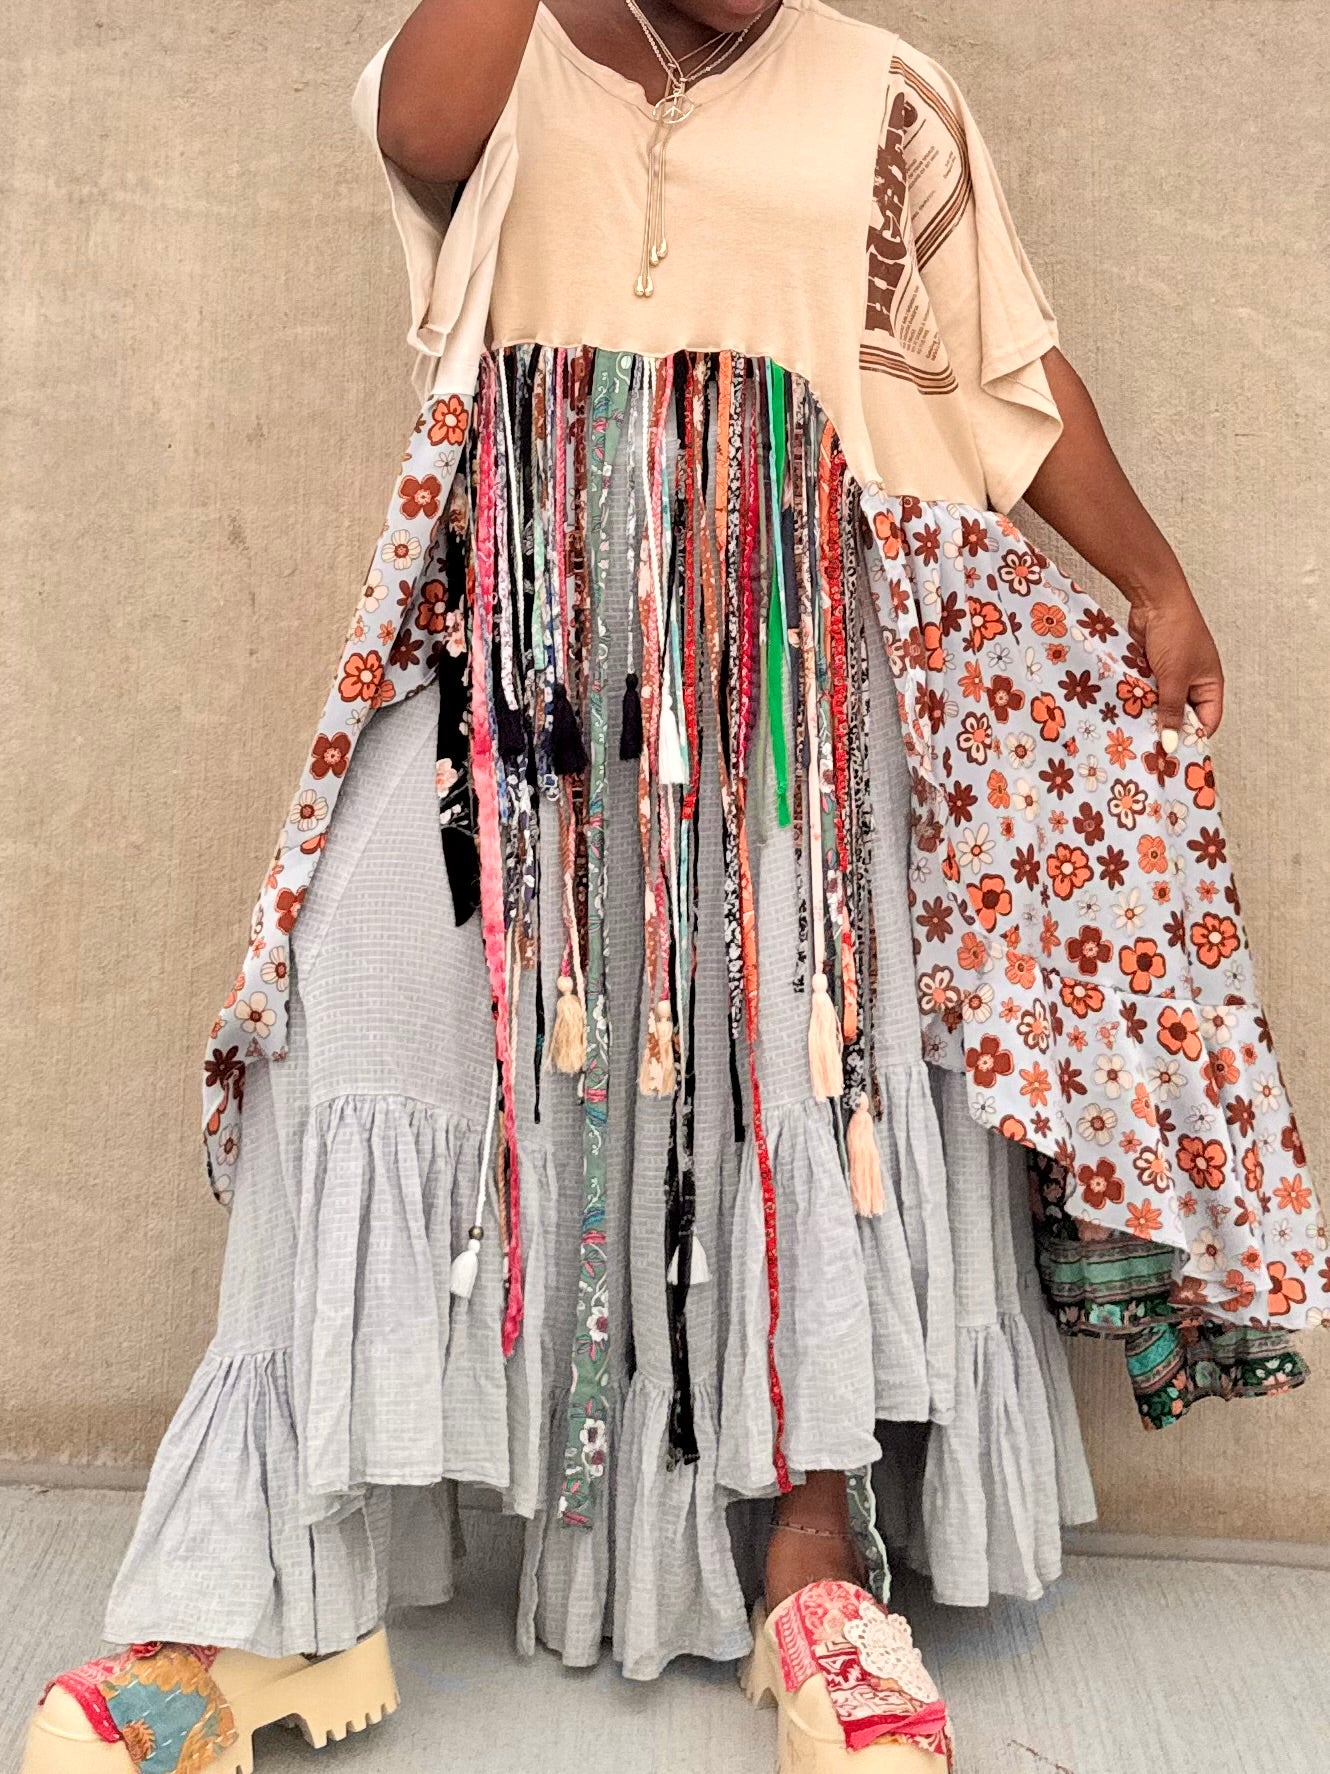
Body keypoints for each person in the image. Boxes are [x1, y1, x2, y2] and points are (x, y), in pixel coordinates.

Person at [22, 1, 1323, 1770]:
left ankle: (811, 1578)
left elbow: (997, 375)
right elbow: (418, 130)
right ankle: (249, 1603)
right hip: (515, 671)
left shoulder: (886, 96)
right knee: (357, 1013)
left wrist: (1152, 577)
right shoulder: (504, 58)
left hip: (793, 688)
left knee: (800, 1082)